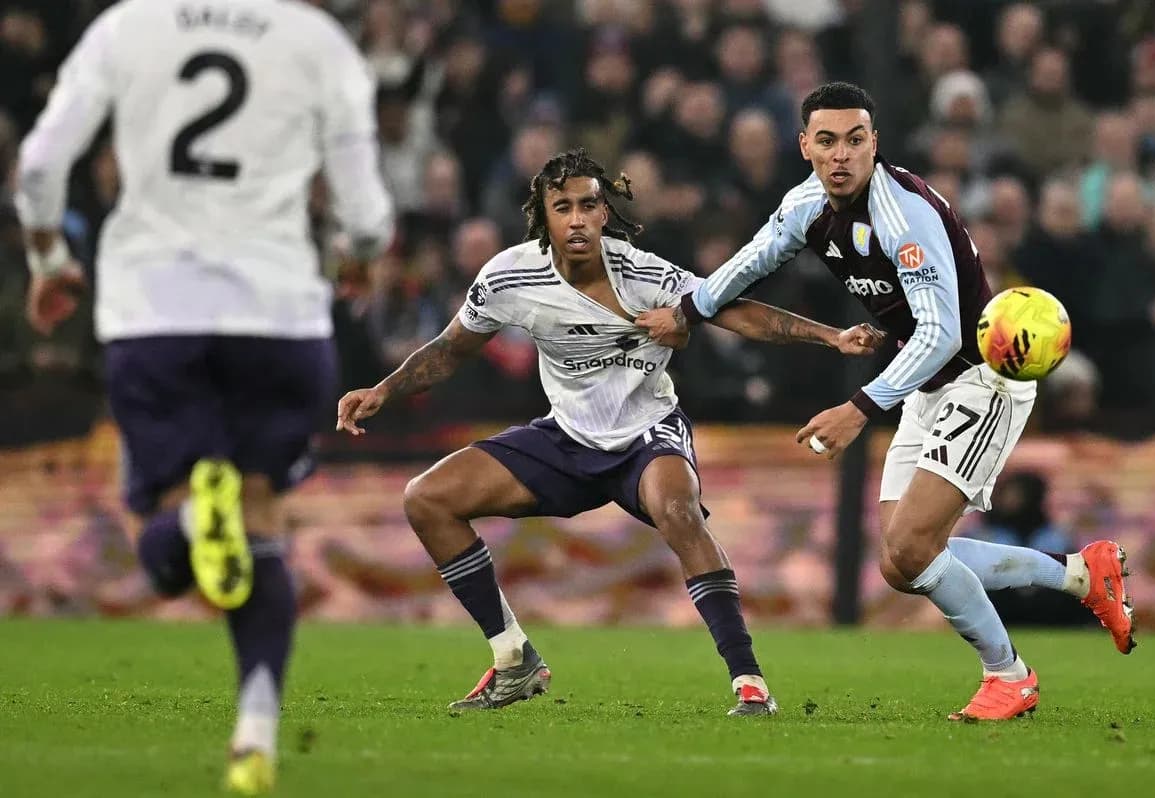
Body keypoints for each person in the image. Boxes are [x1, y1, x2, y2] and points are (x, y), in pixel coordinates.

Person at [636, 82, 1135, 721]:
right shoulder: (805, 205)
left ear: (875, 143)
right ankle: (1082, 576)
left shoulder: (903, 214)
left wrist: (859, 409)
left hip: (980, 379)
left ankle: (1009, 675)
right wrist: (686, 312)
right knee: (904, 562)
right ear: (804, 147)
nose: (841, 154)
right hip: (922, 380)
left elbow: (942, 331)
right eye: (826, 141)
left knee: (915, 544)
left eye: (855, 139)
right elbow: (747, 266)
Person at [336, 147, 884, 717]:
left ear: (605, 213)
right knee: (426, 499)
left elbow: (732, 310)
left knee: (678, 511)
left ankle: (749, 683)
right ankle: (513, 657)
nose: (576, 218)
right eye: (562, 206)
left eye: (588, 205)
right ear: (542, 215)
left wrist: (831, 336)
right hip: (565, 440)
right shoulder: (509, 275)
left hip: (647, 436)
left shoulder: (644, 274)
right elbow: (452, 349)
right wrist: (384, 389)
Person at [15, 1, 393, 792]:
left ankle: (191, 517)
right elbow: (364, 204)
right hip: (279, 313)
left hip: (155, 309)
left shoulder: (127, 26)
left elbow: (43, 164)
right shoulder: (316, 39)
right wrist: (357, 255)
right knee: (262, 521)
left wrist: (49, 257)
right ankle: (254, 732)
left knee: (167, 554)